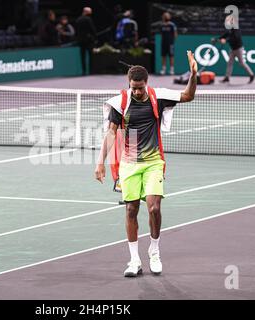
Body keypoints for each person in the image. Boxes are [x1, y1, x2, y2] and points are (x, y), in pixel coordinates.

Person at [95, 51, 198, 277]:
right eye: (134, 87)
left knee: (154, 208)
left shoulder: (157, 97)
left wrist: (193, 74)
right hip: (129, 163)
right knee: (131, 210)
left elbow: (188, 95)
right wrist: (100, 162)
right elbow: (111, 134)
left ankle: (154, 251)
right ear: (129, 84)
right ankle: (134, 260)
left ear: (146, 83)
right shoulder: (120, 103)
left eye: (141, 87)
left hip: (153, 162)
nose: (138, 91)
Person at [217, 15, 255, 84]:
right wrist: (218, 39)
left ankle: (251, 75)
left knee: (242, 63)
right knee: (230, 63)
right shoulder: (230, 29)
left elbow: (235, 38)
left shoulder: (236, 28)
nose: (227, 22)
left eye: (228, 20)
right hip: (232, 49)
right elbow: (225, 35)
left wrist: (225, 40)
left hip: (238, 49)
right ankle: (227, 78)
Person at [75, 7, 97, 75]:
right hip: (89, 41)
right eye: (90, 12)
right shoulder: (88, 19)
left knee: (83, 56)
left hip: (81, 41)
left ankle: (84, 71)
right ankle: (91, 71)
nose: (90, 14)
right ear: (86, 12)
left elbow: (76, 31)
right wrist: (95, 36)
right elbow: (92, 29)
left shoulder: (78, 19)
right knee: (91, 56)